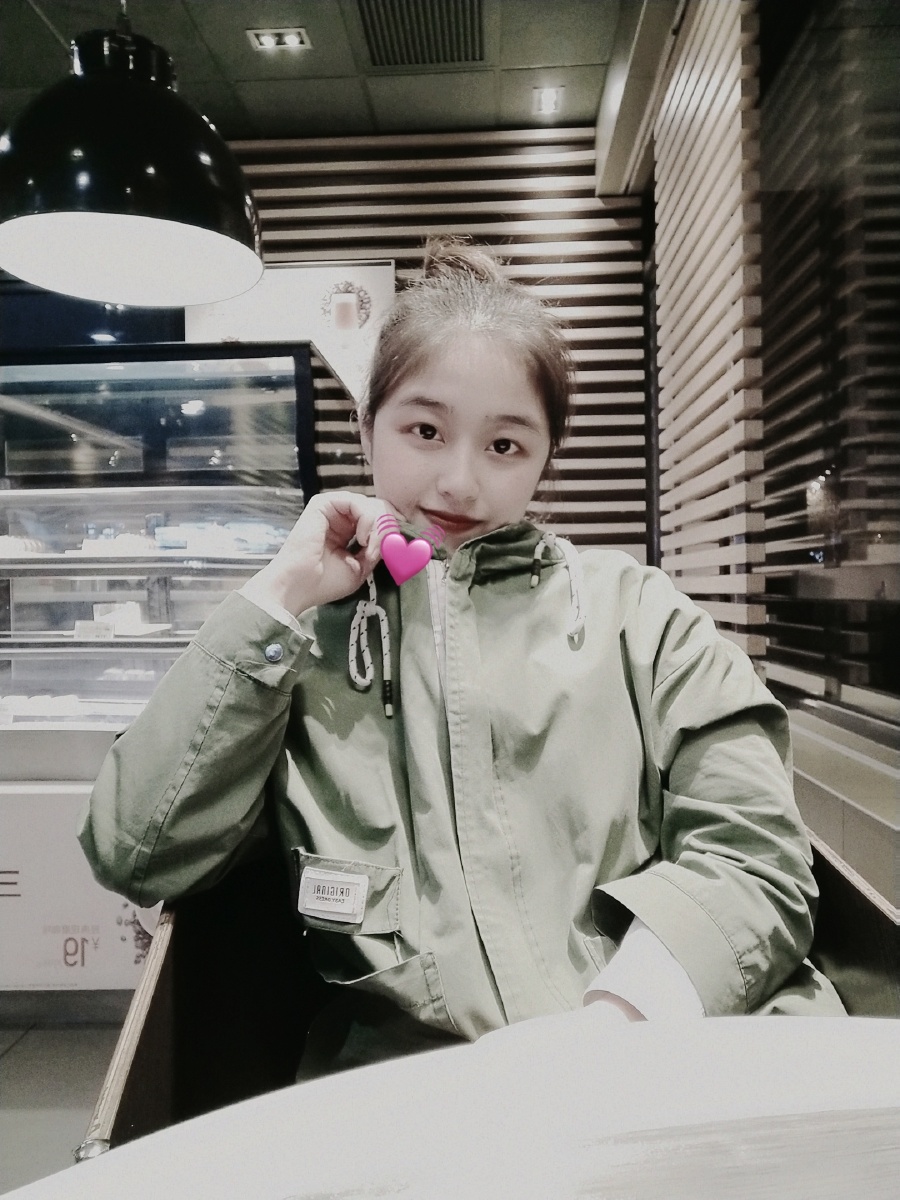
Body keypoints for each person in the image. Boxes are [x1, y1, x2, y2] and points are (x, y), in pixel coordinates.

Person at [78, 237, 844, 1078]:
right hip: (425, 1101)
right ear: (367, 426)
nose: (459, 482)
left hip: (673, 1063)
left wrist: (612, 1025)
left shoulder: (641, 615)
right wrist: (280, 594)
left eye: (505, 446)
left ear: (546, 456)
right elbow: (137, 853)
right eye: (425, 430)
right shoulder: (295, 642)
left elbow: (758, 856)